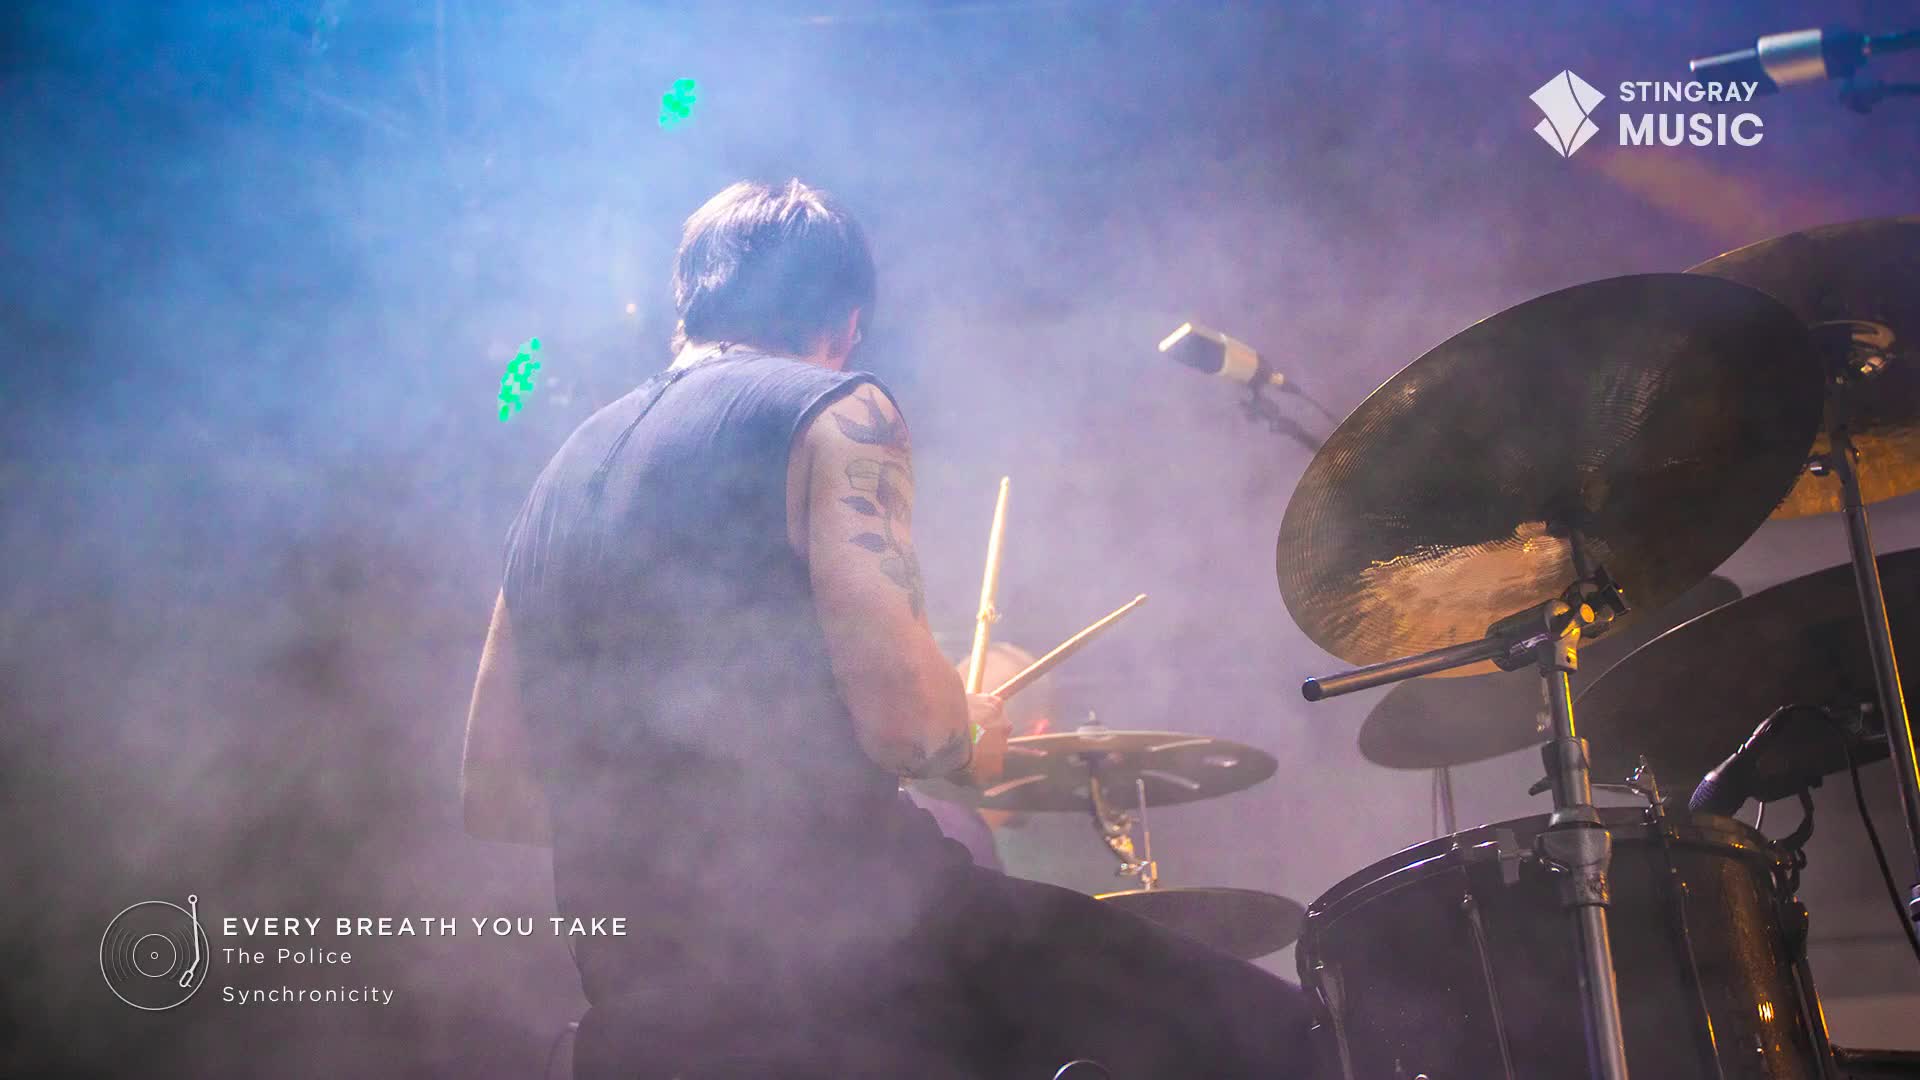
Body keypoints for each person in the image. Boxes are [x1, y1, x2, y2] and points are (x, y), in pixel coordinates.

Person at [461, 178, 1313, 1078]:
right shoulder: (836, 409)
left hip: (644, 1016)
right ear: (846, 322)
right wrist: (966, 732)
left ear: (690, 304)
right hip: (861, 963)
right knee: (1276, 1035)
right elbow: (911, 728)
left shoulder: (561, 474)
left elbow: (495, 791)